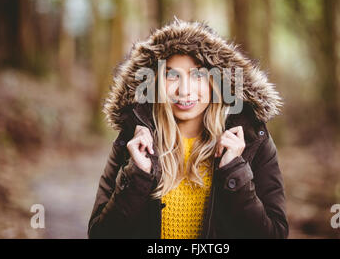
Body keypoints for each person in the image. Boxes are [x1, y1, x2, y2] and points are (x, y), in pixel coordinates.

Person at [88, 19, 288, 239]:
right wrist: (137, 175)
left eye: (198, 75)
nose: (184, 90)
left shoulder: (252, 142)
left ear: (217, 81)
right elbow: (100, 234)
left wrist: (235, 171)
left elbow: (274, 235)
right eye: (171, 75)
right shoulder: (133, 142)